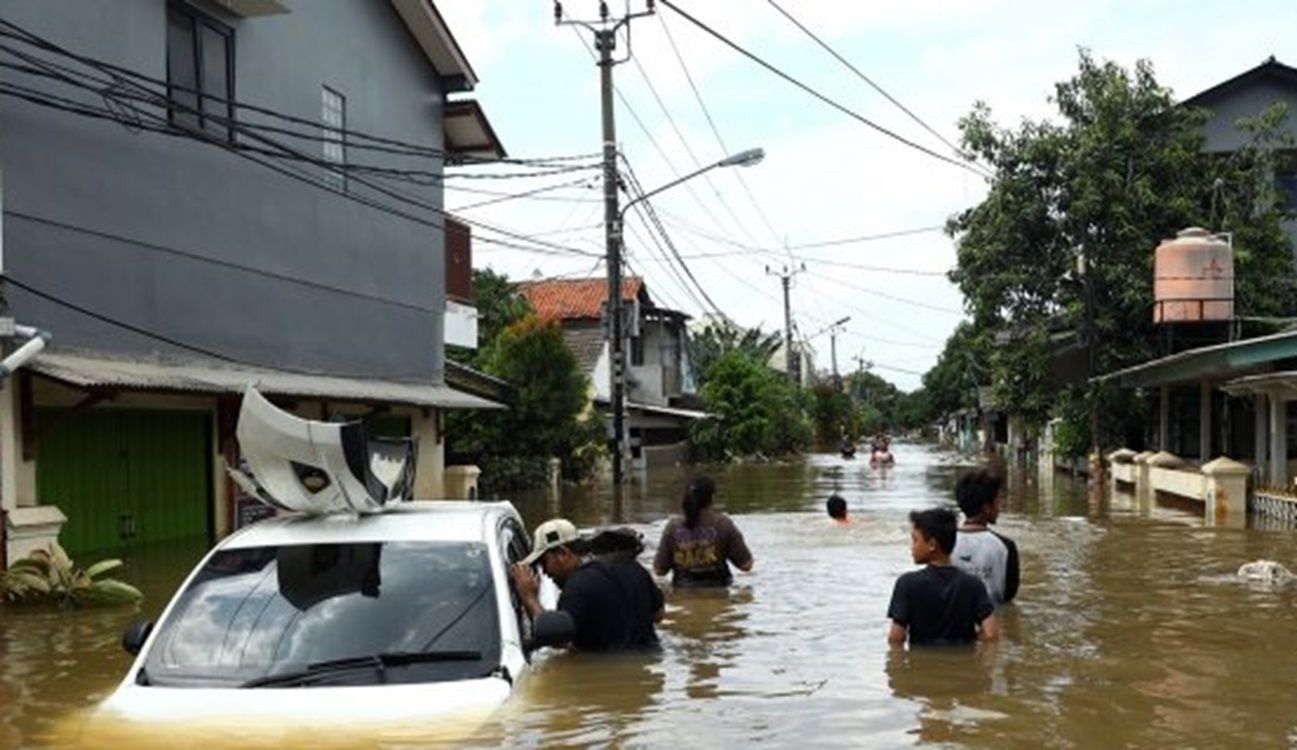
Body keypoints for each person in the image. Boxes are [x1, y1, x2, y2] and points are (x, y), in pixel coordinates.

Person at [511, 518, 663, 652]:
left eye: (544, 562)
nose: (544, 572)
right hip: (647, 663)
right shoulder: (634, 567)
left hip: (606, 677)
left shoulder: (577, 586)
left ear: (562, 554)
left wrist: (529, 597)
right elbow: (658, 614)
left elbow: (557, 639)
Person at [887, 507, 997, 646]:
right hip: (962, 665)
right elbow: (991, 635)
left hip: (920, 666)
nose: (912, 547)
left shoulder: (907, 584)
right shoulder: (973, 585)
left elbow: (896, 638)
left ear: (932, 545)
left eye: (915, 540)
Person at [653, 476, 753, 587]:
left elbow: (659, 570)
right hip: (719, 592)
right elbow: (746, 565)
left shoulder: (672, 526)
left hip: (683, 592)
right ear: (712, 497)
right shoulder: (723, 524)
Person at [951, 468, 1019, 605]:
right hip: (993, 621)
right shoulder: (1006, 547)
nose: (1000, 506)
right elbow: (1008, 595)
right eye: (998, 500)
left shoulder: (945, 541)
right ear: (987, 506)